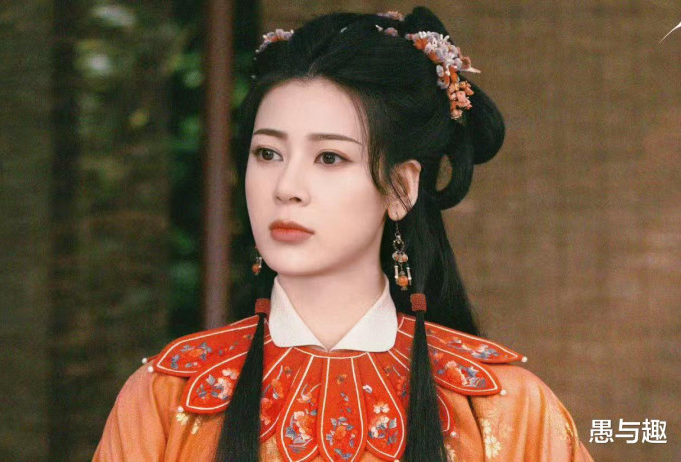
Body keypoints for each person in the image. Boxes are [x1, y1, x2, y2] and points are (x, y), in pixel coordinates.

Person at [94, 7, 593, 461]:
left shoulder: (505, 410)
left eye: (329, 157)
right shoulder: (166, 398)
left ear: (401, 187)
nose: (286, 188)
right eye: (267, 154)